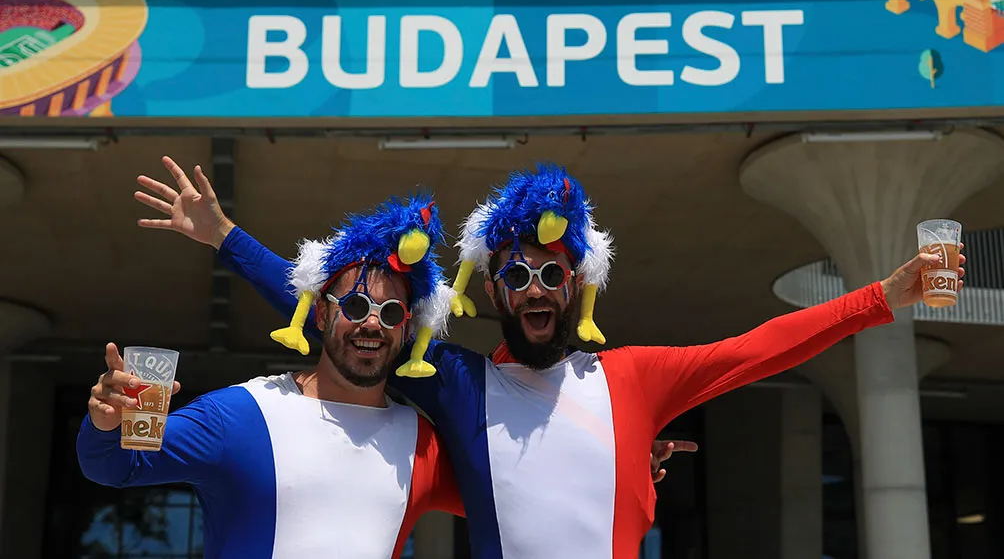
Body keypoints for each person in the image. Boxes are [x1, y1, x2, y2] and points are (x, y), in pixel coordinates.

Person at [137, 159, 938, 559]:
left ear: (579, 280)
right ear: (492, 289)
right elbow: (345, 310)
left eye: (551, 273)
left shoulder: (634, 379)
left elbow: (756, 350)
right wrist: (226, 238)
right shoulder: (460, 385)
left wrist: (881, 296)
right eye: (515, 275)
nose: (534, 288)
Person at [77, 194, 466, 559]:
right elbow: (114, 465)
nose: (372, 324)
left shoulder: (421, 443)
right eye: (355, 305)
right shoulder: (241, 414)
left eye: (391, 312)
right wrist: (106, 422)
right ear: (321, 314)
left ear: (407, 329)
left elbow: (501, 502)